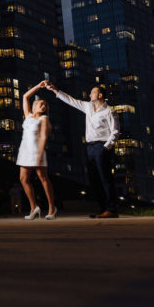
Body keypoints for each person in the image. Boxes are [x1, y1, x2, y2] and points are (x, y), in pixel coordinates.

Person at [45, 83, 120, 218]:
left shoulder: (109, 111)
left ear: (100, 95)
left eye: (93, 92)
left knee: (105, 178)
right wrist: (55, 90)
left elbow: (115, 132)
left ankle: (112, 209)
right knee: (94, 180)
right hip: (90, 147)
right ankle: (103, 209)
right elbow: (71, 100)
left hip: (102, 146)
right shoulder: (88, 107)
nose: (90, 94)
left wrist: (105, 148)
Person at [16, 81, 57, 220]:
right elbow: (25, 97)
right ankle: (34, 207)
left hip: (37, 151)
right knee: (23, 179)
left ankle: (52, 208)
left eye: (45, 105)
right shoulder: (27, 115)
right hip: (25, 151)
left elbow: (44, 136)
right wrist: (38, 86)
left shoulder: (44, 118)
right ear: (35, 106)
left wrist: (40, 154)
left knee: (43, 178)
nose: (44, 106)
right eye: (41, 104)